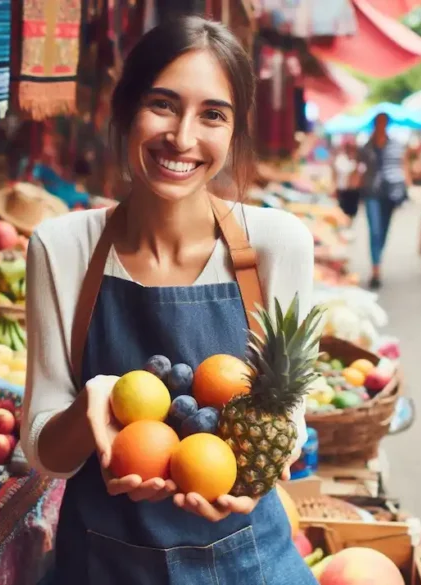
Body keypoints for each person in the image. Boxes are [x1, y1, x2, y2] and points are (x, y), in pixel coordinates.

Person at [21, 17, 316, 585]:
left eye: (212, 114)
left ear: (234, 132)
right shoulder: (62, 247)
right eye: (162, 104)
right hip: (103, 565)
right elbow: (45, 454)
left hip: (248, 561)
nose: (182, 137)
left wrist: (255, 483)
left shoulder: (277, 245)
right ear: (126, 108)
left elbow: (291, 418)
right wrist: (93, 408)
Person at [357, 112, 408, 290]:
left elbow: (403, 166)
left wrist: (406, 189)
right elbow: (360, 169)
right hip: (372, 191)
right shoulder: (366, 147)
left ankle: (378, 259)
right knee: (375, 230)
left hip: (391, 192)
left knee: (384, 230)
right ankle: (376, 269)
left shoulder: (396, 145)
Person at [332, 140, 361, 220]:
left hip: (353, 192)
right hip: (342, 190)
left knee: (351, 214)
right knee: (342, 213)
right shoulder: (341, 159)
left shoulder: (358, 160)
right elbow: (335, 174)